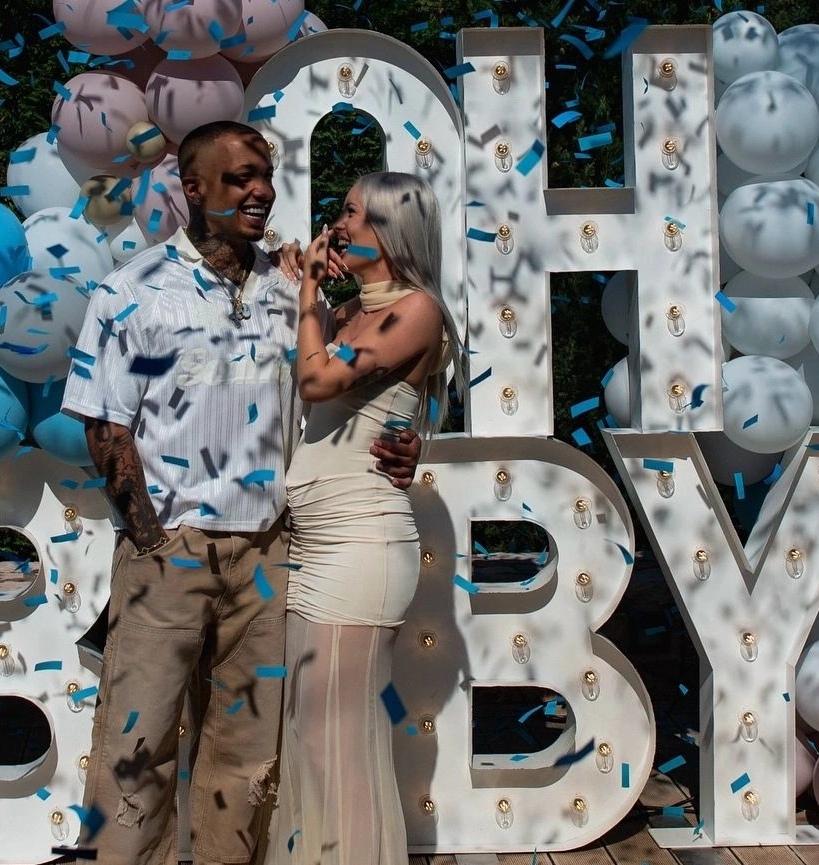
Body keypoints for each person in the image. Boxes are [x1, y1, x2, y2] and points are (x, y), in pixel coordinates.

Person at [59, 121, 422, 865]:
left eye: (266, 176)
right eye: (239, 179)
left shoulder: (292, 289)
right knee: (137, 749)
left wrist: (405, 439)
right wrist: (152, 541)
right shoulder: (131, 291)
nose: (260, 191)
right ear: (193, 189)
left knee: (247, 760)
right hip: (170, 551)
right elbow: (105, 427)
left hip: (269, 554)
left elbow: (362, 388)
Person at [266, 172, 464, 865]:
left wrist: (308, 295)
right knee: (311, 737)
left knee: (337, 742)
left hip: (361, 544)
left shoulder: (418, 310)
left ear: (389, 227)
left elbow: (319, 380)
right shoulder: (349, 309)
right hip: (314, 544)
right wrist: (309, 294)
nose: (338, 224)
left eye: (352, 213)